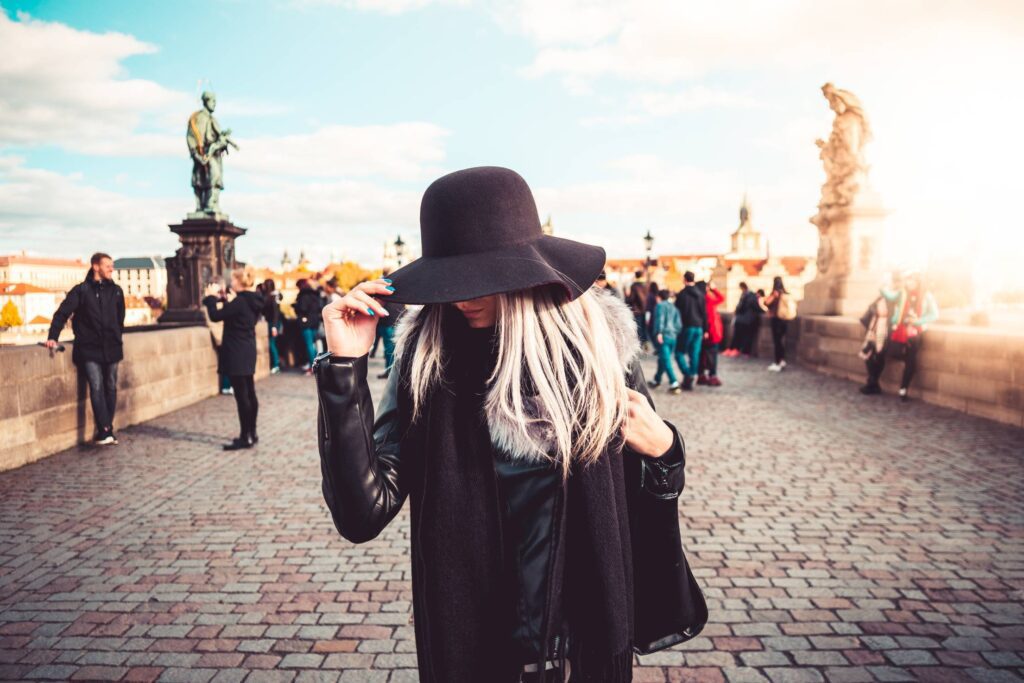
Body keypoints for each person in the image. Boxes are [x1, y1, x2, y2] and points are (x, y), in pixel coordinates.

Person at [315, 166, 706, 682]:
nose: (460, 297)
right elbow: (362, 514)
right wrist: (344, 369)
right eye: (450, 280)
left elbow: (646, 485)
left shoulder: (600, 351)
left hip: (586, 644)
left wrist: (667, 451)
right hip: (472, 648)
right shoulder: (426, 360)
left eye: (480, 277)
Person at [46, 252, 125, 446]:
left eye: (112, 266)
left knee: (111, 386)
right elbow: (62, 313)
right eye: (108, 266)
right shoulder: (81, 290)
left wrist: (115, 335)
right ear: (96, 267)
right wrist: (52, 337)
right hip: (89, 348)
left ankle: (106, 429)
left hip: (112, 346)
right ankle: (106, 430)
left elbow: (120, 318)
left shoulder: (116, 291)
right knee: (97, 385)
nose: (111, 269)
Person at [203, 267, 264, 450]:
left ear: (239, 282)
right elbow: (237, 314)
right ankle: (252, 433)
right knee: (250, 392)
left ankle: (245, 436)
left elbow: (215, 316)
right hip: (247, 349)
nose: (232, 283)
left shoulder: (240, 302)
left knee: (242, 396)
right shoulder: (252, 300)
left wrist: (210, 298)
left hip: (236, 351)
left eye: (233, 280)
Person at [880, 271, 938, 401]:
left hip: (915, 332)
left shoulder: (926, 296)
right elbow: (890, 296)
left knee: (911, 360)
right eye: (907, 280)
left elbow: (934, 314)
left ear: (918, 282)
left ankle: (903, 389)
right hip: (900, 330)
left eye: (912, 280)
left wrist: (917, 321)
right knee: (893, 353)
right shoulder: (902, 293)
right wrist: (882, 286)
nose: (909, 283)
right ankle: (909, 366)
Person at [673, 271, 705, 391]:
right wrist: (705, 329)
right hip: (699, 327)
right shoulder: (700, 294)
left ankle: (688, 375)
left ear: (684, 279)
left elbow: (677, 313)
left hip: (687, 327)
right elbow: (704, 313)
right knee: (694, 354)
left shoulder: (682, 294)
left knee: (679, 352)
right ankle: (692, 376)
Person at [647, 288, 682, 393]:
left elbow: (660, 320)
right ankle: (656, 379)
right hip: (673, 336)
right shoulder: (674, 307)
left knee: (666, 360)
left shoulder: (659, 306)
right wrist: (674, 332)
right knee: (663, 358)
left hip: (664, 336)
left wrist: (659, 333)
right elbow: (678, 324)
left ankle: (674, 382)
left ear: (659, 297)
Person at [858, 295, 890, 395]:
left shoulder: (895, 298)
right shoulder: (880, 297)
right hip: (874, 327)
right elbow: (872, 308)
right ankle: (873, 383)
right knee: (867, 355)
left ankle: (872, 383)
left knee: (879, 357)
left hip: (884, 330)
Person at [762, 277, 793, 372]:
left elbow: (766, 303)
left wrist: (773, 296)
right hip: (785, 320)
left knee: (777, 342)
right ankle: (782, 360)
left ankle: (777, 362)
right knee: (782, 341)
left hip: (776, 320)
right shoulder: (786, 293)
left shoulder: (775, 293)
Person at [698, 282, 724, 387]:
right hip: (711, 333)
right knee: (712, 355)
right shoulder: (708, 299)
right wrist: (714, 289)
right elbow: (721, 298)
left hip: (703, 332)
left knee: (702, 355)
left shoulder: (700, 299)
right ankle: (712, 376)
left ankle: (701, 375)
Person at [294, 278, 322, 374]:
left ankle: (313, 366)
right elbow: (319, 308)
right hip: (315, 322)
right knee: (313, 345)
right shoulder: (315, 294)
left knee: (309, 345)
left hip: (306, 323)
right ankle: (317, 366)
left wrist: (295, 306)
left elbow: (302, 308)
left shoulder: (303, 296)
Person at [724, 282, 758, 358]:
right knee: (744, 337)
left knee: (738, 336)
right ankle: (740, 351)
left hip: (742, 319)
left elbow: (740, 307)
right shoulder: (751, 296)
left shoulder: (745, 296)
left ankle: (735, 350)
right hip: (747, 320)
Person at [259, 278, 283, 375]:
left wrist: (274, 327)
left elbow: (275, 313)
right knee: (272, 344)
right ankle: (275, 364)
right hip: (273, 323)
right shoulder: (274, 296)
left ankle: (276, 365)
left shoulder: (273, 297)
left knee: (272, 344)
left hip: (273, 323)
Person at [625, 279, 648, 346]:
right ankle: (645, 341)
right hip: (644, 309)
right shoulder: (645, 285)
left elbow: (631, 298)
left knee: (639, 327)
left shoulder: (634, 286)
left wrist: (627, 297)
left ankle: (641, 343)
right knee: (644, 326)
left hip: (637, 310)